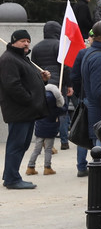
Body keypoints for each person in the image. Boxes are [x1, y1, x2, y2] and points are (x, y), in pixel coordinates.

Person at [2, 30, 49, 189]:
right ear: (13, 42)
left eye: (28, 40)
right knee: (17, 144)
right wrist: (30, 100)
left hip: (27, 111)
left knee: (21, 144)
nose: (26, 43)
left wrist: (41, 80)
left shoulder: (21, 58)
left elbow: (27, 81)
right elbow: (12, 85)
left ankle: (11, 175)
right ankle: (12, 179)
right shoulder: (9, 59)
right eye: (22, 40)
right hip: (19, 111)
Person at [72, 19, 101, 177]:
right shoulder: (99, 57)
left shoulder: (92, 52)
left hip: (96, 115)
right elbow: (99, 92)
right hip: (100, 117)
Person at [30, 20, 71, 151]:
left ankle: (46, 142)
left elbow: (34, 67)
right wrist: (68, 84)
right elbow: (65, 67)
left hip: (43, 84)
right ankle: (64, 141)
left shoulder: (36, 47)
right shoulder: (60, 45)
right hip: (58, 83)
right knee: (61, 112)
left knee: (43, 113)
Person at [26, 83, 66, 176]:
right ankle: (47, 168)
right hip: (50, 131)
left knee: (36, 149)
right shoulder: (55, 108)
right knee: (48, 149)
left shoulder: (39, 105)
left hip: (39, 129)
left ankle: (30, 167)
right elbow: (64, 108)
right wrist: (60, 97)